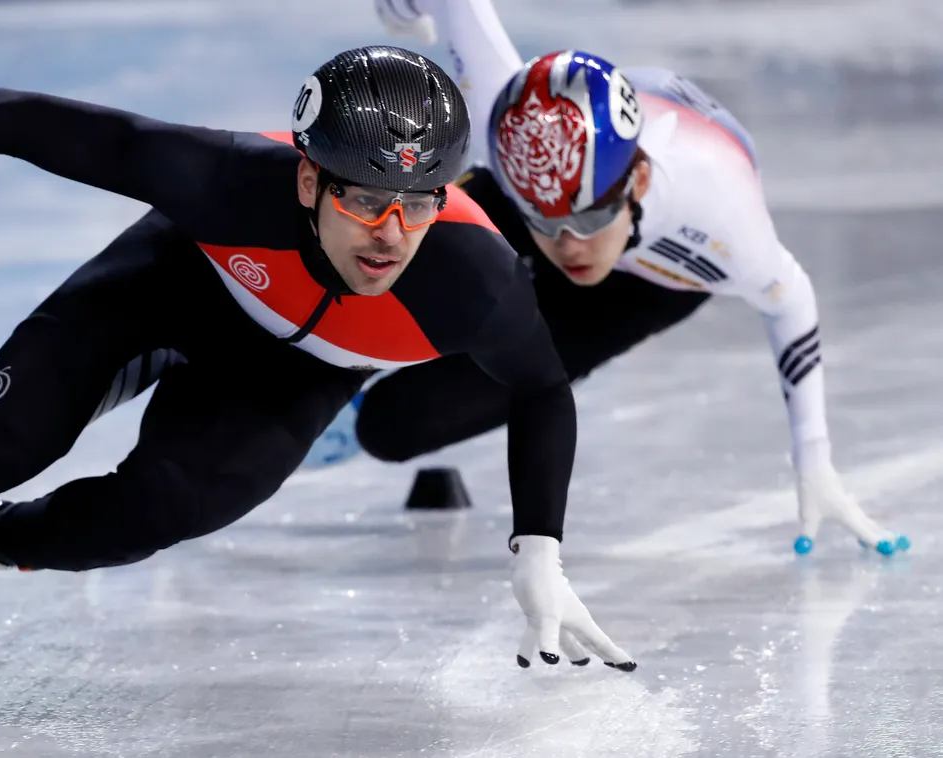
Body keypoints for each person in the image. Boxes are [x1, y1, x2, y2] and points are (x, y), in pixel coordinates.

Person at [0, 46, 636, 677]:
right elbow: (16, 118)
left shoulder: (472, 279)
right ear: (306, 179)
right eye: (365, 198)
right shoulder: (227, 180)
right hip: (167, 286)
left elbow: (542, 388)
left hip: (287, 378)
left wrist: (538, 549)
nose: (391, 233)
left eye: (417, 203)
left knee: (164, 510)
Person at [324, 0, 909, 557]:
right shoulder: (505, 127)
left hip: (654, 280)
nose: (569, 245)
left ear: (639, 183)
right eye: (547, 223)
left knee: (396, 427)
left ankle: (352, 426)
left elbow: (790, 298)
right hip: (537, 186)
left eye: (589, 219)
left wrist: (814, 459)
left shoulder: (718, 217)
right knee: (384, 254)